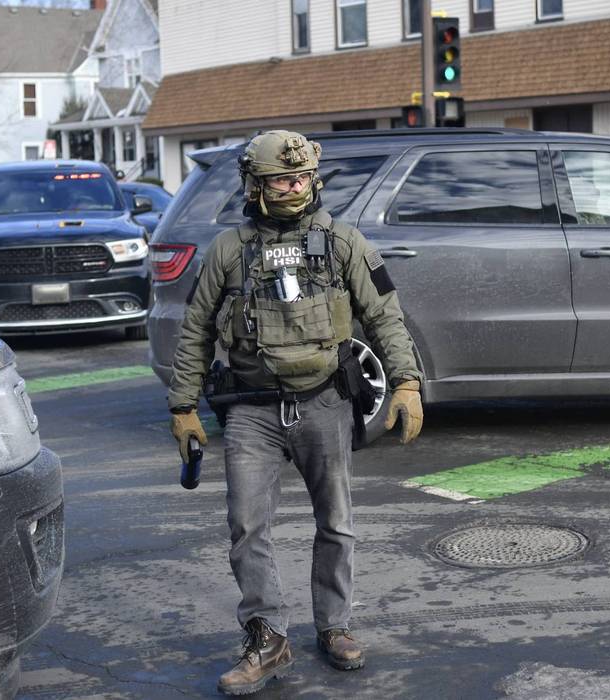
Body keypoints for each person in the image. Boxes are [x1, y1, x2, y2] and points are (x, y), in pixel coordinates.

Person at [167, 130, 424, 695]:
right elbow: (195, 331)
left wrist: (406, 382)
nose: (293, 186)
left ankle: (334, 626)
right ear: (255, 186)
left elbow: (385, 315)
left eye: (302, 177)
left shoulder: (343, 243)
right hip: (250, 412)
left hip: (324, 402)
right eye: (281, 179)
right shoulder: (228, 251)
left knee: (336, 522)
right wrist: (183, 405)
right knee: (246, 526)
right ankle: (268, 637)